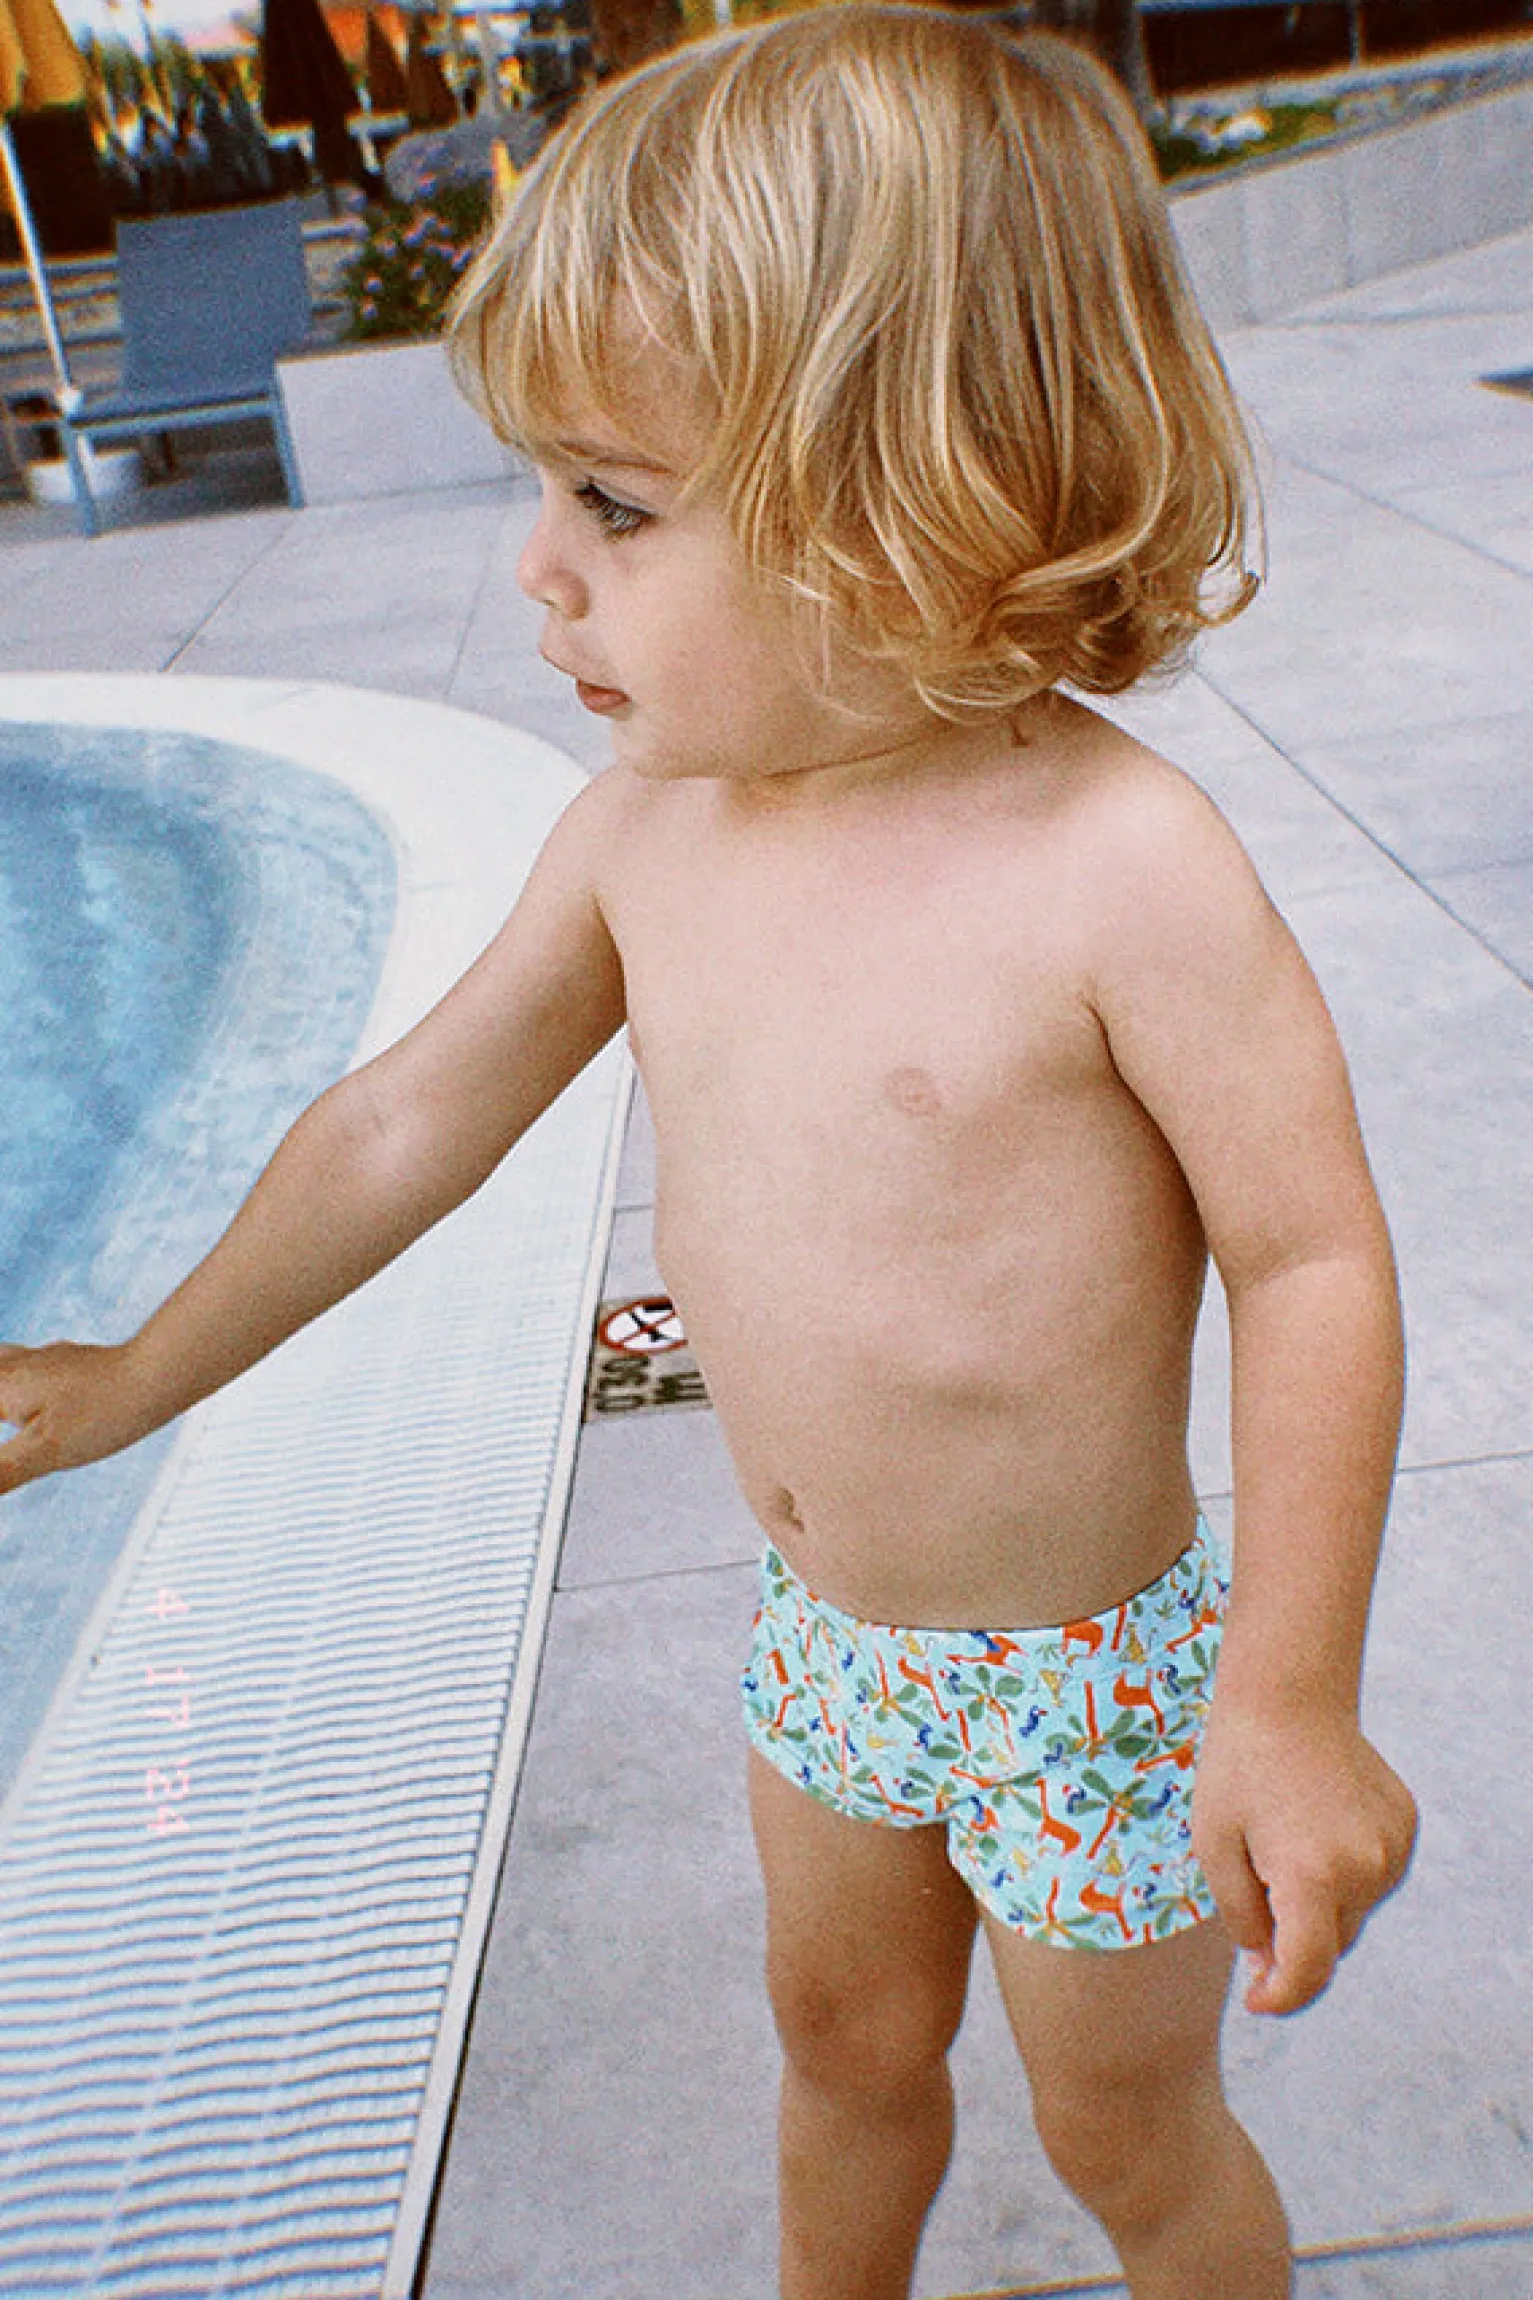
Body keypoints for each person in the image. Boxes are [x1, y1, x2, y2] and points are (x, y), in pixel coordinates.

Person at [0, 10, 1417, 2296]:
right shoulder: (640, 837)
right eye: (544, 491)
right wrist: (136, 1375)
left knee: (1121, 2126)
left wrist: (1290, 1691)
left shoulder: (1118, 869)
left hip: (1088, 1681)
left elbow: (1309, 1258)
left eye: (615, 504)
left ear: (912, 499)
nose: (536, 569)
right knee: (839, 2047)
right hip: (825, 1643)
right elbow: (401, 1121)